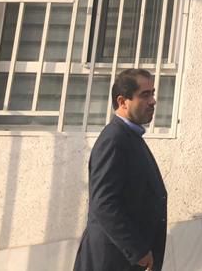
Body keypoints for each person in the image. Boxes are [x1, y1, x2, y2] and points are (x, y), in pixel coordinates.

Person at [73, 69, 167, 271]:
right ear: (123, 101)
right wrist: (137, 250)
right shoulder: (114, 140)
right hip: (112, 260)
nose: (152, 101)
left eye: (152, 93)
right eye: (145, 95)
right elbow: (104, 204)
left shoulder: (130, 137)